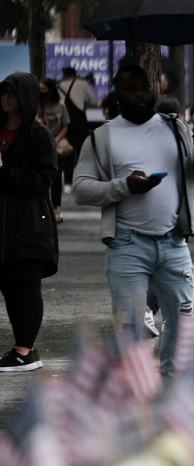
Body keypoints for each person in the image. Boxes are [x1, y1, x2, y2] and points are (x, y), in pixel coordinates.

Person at [73, 64, 194, 377]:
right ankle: (134, 394)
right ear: (116, 96)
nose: (140, 94)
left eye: (145, 86)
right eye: (130, 88)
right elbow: (81, 188)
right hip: (127, 244)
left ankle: (171, 384)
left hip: (174, 240)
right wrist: (125, 186)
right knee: (131, 329)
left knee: (183, 322)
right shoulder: (102, 137)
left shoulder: (176, 128)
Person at [0, 73, 59, 371]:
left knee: (26, 282)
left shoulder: (37, 135)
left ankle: (26, 348)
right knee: (8, 282)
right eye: (4, 91)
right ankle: (21, 347)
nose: (6, 97)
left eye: (13, 92)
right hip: (2, 222)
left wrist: (6, 173)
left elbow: (45, 177)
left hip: (30, 221)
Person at [58, 67, 97, 194]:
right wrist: (81, 103)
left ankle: (68, 184)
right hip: (80, 121)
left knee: (68, 152)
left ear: (64, 75)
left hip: (65, 122)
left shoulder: (59, 85)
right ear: (76, 75)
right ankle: (83, 182)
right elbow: (93, 100)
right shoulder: (82, 83)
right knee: (82, 152)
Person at [38, 78, 71, 223]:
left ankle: (55, 207)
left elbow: (65, 125)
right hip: (41, 144)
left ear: (51, 90)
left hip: (56, 145)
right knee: (41, 177)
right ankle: (42, 208)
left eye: (43, 89)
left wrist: (56, 139)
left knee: (57, 177)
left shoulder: (60, 105)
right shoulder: (39, 105)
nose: (40, 93)